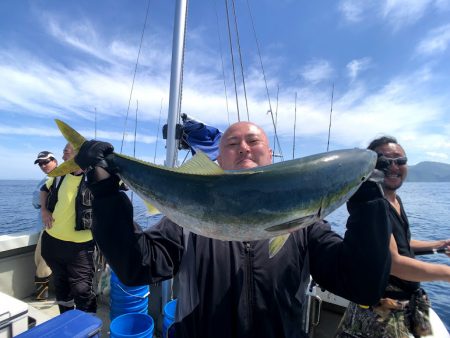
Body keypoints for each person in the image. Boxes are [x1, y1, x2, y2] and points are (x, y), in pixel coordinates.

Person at [75, 121, 392, 338]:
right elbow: (135, 266)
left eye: (254, 141)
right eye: (232, 143)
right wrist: (106, 196)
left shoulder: (306, 225)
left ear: (270, 156)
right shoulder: (188, 220)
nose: (244, 147)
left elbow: (362, 286)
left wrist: (367, 200)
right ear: (218, 160)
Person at [335, 136, 450, 338]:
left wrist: (440, 244)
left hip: (407, 305)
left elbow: (400, 244)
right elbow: (394, 262)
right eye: (384, 161)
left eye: (400, 160)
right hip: (381, 311)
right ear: (370, 166)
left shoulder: (395, 200)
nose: (393, 165)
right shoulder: (370, 205)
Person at [40, 143, 97, 314]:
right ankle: (66, 320)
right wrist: (44, 209)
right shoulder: (59, 175)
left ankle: (88, 327)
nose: (63, 156)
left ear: (80, 155)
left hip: (80, 248)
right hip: (52, 242)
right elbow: (44, 189)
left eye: (66, 152)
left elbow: (121, 184)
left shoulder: (95, 177)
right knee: (61, 285)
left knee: (82, 290)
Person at [32, 151, 58, 300]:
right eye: (40, 163)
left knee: (42, 264)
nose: (42, 165)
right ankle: (43, 296)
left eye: (46, 162)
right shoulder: (48, 179)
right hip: (47, 228)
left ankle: (41, 298)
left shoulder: (48, 180)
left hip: (50, 229)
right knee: (40, 262)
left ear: (54, 161)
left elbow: (35, 202)